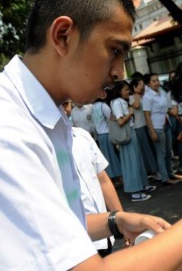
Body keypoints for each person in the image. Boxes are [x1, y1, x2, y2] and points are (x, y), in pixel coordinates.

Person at [0, 0, 182, 269]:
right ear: (63, 36)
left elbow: (52, 227)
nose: (120, 73)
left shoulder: (49, 119)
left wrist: (115, 221)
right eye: (115, 51)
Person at [63, 100, 123, 257]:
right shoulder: (41, 147)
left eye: (65, 104)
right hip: (77, 243)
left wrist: (122, 220)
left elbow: (102, 179)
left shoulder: (83, 137)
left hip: (105, 234)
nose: (63, 109)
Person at [110, 80, 156, 201]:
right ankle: (134, 191)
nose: (128, 92)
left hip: (130, 133)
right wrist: (130, 113)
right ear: (119, 91)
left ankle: (141, 185)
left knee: (137, 160)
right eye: (125, 89)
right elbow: (120, 121)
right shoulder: (117, 103)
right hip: (127, 134)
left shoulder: (120, 102)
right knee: (132, 163)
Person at [143, 73, 181, 186]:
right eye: (153, 81)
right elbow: (147, 115)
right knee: (161, 153)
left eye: (157, 80)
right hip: (157, 127)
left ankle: (170, 173)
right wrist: (152, 131)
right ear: (148, 84)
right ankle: (165, 179)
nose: (157, 83)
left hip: (166, 124)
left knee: (169, 152)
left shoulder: (160, 93)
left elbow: (166, 109)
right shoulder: (147, 97)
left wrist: (174, 114)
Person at [129, 76, 160, 180]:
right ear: (134, 86)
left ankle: (155, 169)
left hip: (146, 125)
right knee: (146, 150)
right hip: (139, 127)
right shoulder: (132, 98)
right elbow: (137, 106)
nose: (143, 87)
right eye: (140, 85)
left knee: (151, 148)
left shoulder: (144, 96)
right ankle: (152, 170)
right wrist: (136, 93)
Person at [92, 97, 123, 188]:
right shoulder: (103, 106)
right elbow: (112, 118)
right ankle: (121, 178)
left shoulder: (92, 108)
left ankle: (111, 181)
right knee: (114, 157)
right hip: (108, 134)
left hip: (100, 136)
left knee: (107, 159)